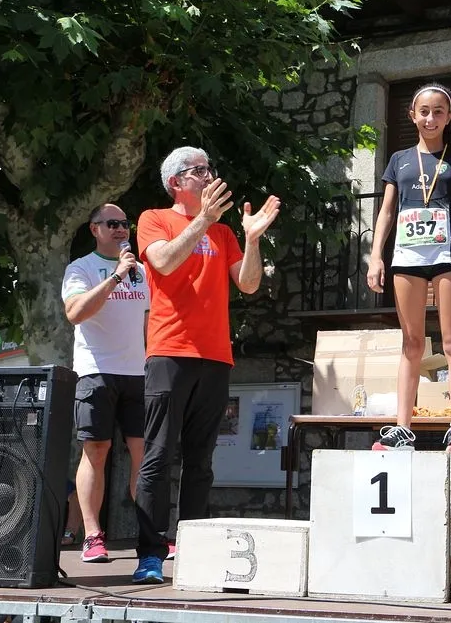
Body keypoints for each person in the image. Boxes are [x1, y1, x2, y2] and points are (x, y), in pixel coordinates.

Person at [131, 147, 280, 584]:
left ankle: (193, 551)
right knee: (158, 457)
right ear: (176, 182)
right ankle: (150, 554)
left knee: (201, 461)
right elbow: (162, 261)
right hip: (169, 352)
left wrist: (252, 239)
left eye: (210, 168)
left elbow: (248, 284)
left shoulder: (224, 232)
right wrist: (203, 221)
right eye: (199, 170)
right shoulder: (154, 219)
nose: (209, 175)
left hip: (215, 356)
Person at [366, 83, 451, 452]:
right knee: (412, 343)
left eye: (438, 112)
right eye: (424, 111)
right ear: (412, 116)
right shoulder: (399, 159)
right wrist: (376, 256)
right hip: (407, 258)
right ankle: (403, 428)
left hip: (446, 256)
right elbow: (387, 211)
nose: (430, 118)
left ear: (449, 117)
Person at [61, 203, 150, 563]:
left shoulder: (143, 271)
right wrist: (115, 276)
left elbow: (149, 321)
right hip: (96, 370)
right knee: (96, 451)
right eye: (112, 223)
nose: (120, 229)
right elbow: (75, 313)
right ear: (94, 229)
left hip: (139, 373)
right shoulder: (80, 268)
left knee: (145, 454)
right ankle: (92, 535)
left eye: (125, 223)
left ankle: (152, 536)